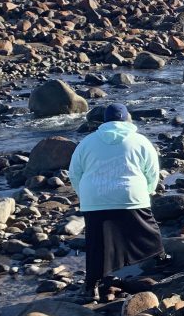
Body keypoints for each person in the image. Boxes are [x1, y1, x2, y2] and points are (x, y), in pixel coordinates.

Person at [69, 104, 163, 302]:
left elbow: (75, 173)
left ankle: (91, 287)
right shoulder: (140, 141)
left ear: (105, 121)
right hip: (131, 196)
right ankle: (159, 259)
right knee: (148, 231)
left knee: (97, 244)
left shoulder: (87, 142)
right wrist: (147, 192)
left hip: (94, 198)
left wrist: (84, 195)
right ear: (127, 119)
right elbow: (153, 172)